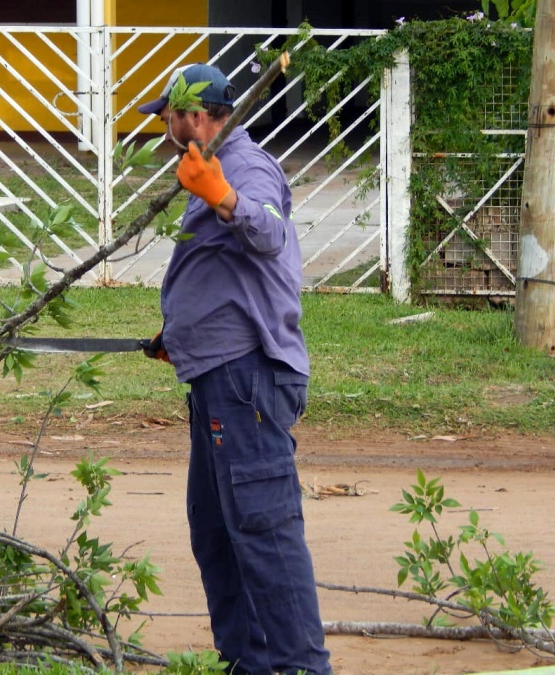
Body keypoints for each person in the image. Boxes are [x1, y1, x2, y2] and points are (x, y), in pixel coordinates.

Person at [139, 63, 332, 675]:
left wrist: (222, 195)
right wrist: (182, 333)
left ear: (196, 117)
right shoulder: (213, 168)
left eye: (169, 117)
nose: (165, 128)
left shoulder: (244, 168)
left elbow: (269, 233)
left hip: (248, 378)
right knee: (216, 529)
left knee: (263, 527)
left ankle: (300, 667)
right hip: (218, 374)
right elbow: (225, 272)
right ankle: (249, 662)